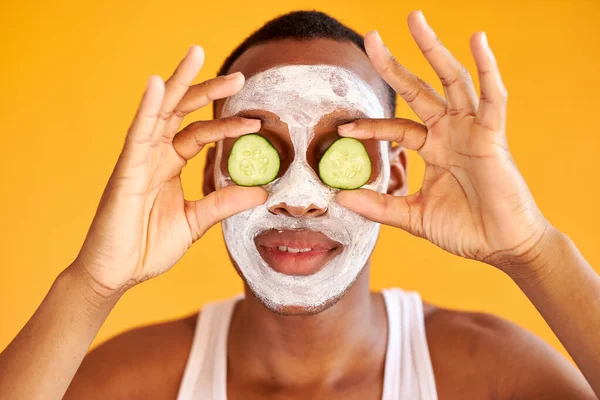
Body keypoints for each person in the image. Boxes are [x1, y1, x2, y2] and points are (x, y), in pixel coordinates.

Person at [0, 10, 598, 400]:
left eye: (341, 150)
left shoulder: (486, 376)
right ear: (212, 171)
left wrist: (535, 252)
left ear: (393, 173)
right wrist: (91, 285)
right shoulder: (136, 382)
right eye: (260, 151)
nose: (299, 200)